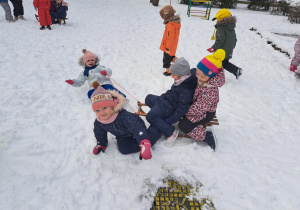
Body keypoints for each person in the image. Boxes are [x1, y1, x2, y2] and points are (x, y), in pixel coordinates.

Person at [91, 82, 161, 160]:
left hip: (137, 128)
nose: (101, 112)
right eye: (97, 110)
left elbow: (136, 127)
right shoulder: (99, 122)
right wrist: (101, 143)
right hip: (123, 135)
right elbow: (99, 132)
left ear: (112, 106)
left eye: (104, 108)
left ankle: (156, 129)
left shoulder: (122, 116)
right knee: (124, 149)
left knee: (147, 139)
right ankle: (142, 143)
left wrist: (143, 140)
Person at [178, 49, 226, 150]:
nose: (199, 77)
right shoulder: (205, 80)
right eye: (198, 74)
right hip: (198, 106)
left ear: (211, 76)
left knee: (184, 125)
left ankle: (206, 136)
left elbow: (199, 108)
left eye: (202, 76)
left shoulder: (210, 92)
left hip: (205, 113)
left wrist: (183, 112)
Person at [145, 57, 197, 146]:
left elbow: (182, 109)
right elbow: (172, 91)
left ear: (181, 74)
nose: (172, 76)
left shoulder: (186, 90)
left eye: (174, 74)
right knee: (148, 98)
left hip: (169, 108)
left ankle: (170, 132)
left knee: (150, 116)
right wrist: (163, 97)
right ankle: (159, 117)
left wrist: (170, 120)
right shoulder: (180, 80)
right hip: (165, 101)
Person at [207, 8, 242, 80]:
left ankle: (236, 70)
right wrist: (233, 46)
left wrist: (213, 48)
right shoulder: (231, 27)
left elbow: (220, 41)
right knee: (223, 63)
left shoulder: (221, 28)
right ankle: (235, 71)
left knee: (219, 63)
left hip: (221, 50)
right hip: (228, 49)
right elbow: (234, 38)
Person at [159, 5, 181, 76]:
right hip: (172, 46)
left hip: (169, 47)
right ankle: (176, 62)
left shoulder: (170, 25)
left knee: (166, 59)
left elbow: (170, 38)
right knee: (171, 57)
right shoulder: (174, 23)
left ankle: (169, 70)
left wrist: (167, 47)